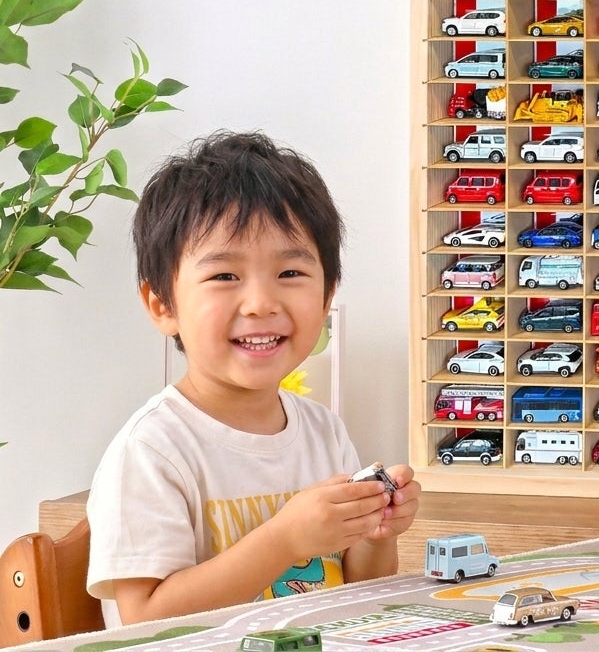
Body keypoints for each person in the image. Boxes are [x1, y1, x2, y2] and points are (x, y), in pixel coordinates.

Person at [87, 131, 420, 625]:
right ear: (163, 305)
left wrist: (376, 531)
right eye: (224, 276)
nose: (262, 303)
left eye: (290, 274)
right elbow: (144, 621)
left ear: (327, 298)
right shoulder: (152, 450)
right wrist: (285, 540)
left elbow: (358, 592)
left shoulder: (323, 431)